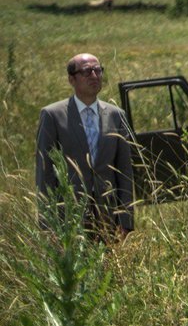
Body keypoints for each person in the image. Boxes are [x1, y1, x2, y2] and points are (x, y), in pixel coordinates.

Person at [35, 52, 136, 238]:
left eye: (98, 70)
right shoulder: (53, 115)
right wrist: (48, 224)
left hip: (108, 216)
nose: (95, 76)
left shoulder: (116, 115)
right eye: (87, 71)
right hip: (68, 218)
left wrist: (126, 221)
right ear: (71, 79)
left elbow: (124, 171)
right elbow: (45, 172)